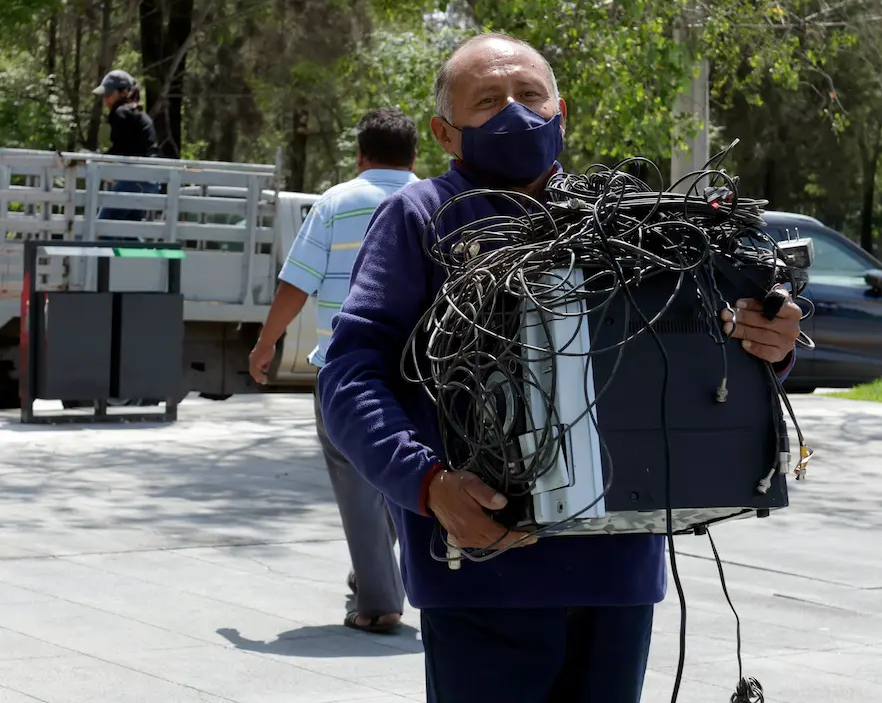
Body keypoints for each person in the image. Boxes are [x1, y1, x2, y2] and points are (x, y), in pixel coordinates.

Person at [318, 34, 804, 702]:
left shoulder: (628, 222)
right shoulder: (421, 218)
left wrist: (768, 349)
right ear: (444, 132)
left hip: (617, 572)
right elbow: (349, 376)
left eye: (530, 96)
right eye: (488, 101)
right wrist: (427, 486)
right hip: (483, 571)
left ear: (561, 112)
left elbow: (695, 360)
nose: (515, 112)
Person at [250, 107, 419, 634]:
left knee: (356, 480)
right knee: (406, 469)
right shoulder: (435, 201)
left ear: (361, 154)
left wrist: (265, 343)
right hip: (422, 370)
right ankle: (375, 571)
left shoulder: (335, 203)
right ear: (416, 154)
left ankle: (377, 602)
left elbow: (296, 284)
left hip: (348, 370)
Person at [92, 69, 161, 221]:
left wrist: (95, 161)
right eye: (105, 95)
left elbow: (119, 150)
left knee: (102, 228)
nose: (106, 99)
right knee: (126, 232)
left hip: (134, 180)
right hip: (150, 182)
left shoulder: (121, 113)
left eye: (109, 94)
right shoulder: (139, 114)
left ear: (125, 92)